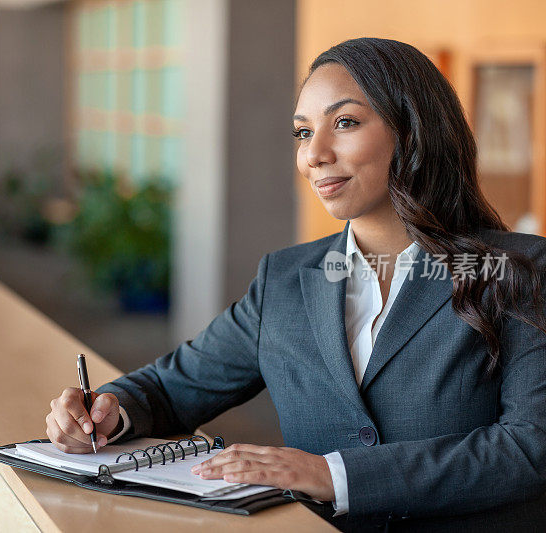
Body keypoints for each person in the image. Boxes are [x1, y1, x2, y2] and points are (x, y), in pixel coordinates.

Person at [45, 37, 546, 527]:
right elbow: (169, 390)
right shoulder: (284, 281)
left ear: (413, 132)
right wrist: (105, 411)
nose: (315, 154)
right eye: (303, 133)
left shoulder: (523, 271)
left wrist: (330, 473)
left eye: (345, 123)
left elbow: (530, 447)